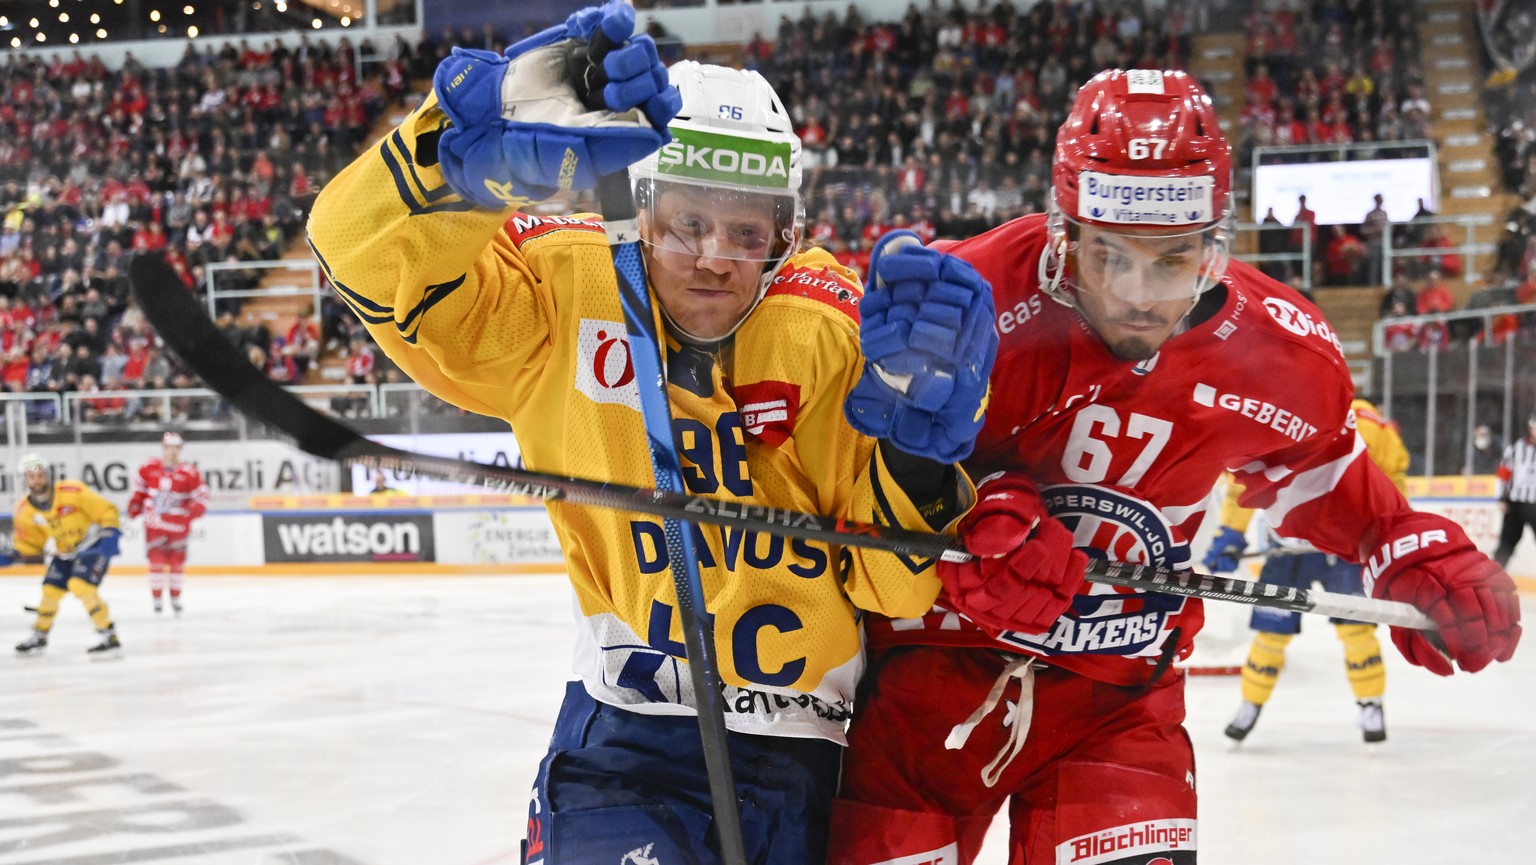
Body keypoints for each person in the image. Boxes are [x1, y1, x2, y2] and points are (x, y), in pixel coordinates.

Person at [305, 4, 990, 863]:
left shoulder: (830, 333)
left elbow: (892, 585)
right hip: (622, 744)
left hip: (800, 759)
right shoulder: (568, 286)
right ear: (637, 207)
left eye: (749, 232)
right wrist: (449, 156)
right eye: (687, 223)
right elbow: (354, 250)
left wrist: (921, 457)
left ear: (787, 232)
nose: (716, 256)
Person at [828, 69, 1521, 865]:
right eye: (1108, 255)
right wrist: (974, 508)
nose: (1138, 295)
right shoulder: (972, 297)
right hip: (929, 680)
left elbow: (1325, 470)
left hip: (1119, 697)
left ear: (1213, 244)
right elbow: (862, 472)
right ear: (1064, 233)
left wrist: (1399, 544)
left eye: (1172, 259)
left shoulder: (1280, 351)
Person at [1202, 397, 1410, 745]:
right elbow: (1245, 480)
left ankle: (1371, 704)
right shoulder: (1275, 414)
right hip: (1288, 549)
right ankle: (1250, 703)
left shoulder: (1364, 420)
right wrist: (1230, 532)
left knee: (1357, 631)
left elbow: (1392, 473)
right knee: (1271, 634)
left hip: (1345, 547)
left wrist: (1393, 525)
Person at [6, 454, 125, 656]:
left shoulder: (72, 491)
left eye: (41, 475)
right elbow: (31, 543)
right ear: (24, 480)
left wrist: (110, 533)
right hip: (65, 551)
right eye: (31, 476)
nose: (37, 480)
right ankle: (39, 635)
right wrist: (16, 553)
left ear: (48, 475)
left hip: (92, 544)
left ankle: (108, 634)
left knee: (80, 585)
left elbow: (106, 509)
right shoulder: (24, 510)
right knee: (50, 590)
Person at [127, 431, 209, 615]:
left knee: (176, 563)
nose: (172, 452)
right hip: (154, 524)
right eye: (169, 448)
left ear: (180, 450)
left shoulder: (190, 472)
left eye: (176, 448)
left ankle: (175, 598)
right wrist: (135, 503)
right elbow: (139, 491)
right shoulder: (148, 467)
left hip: (177, 526)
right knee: (156, 562)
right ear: (163, 448)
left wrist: (191, 514)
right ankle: (157, 599)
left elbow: (201, 497)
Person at [1494, 412, 1536, 568]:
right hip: (1516, 504)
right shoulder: (1516, 448)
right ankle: (1494, 578)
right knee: (1506, 544)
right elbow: (1503, 474)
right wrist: (1501, 498)